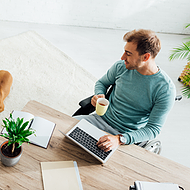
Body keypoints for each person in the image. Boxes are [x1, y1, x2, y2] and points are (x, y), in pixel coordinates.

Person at [74, 29, 176, 152]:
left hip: (127, 137)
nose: (123, 57)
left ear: (146, 57)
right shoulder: (121, 67)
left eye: (128, 53)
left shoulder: (165, 90)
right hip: (99, 120)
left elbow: (153, 129)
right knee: (63, 130)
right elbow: (102, 83)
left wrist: (119, 139)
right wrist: (99, 94)